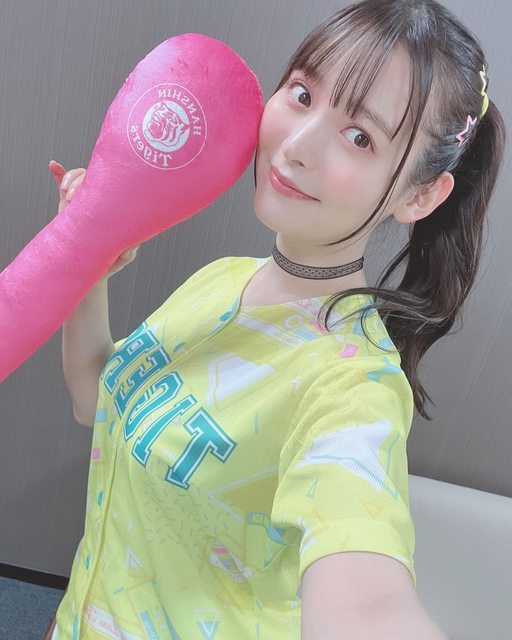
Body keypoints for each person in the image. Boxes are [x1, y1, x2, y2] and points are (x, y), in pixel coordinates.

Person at [44, 0, 506, 637]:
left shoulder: (352, 388)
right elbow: (93, 399)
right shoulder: (223, 277)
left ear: (420, 195)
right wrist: (88, 260)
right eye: (303, 93)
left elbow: (368, 603)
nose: (296, 145)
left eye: (360, 137)